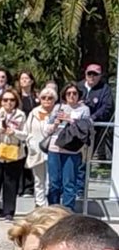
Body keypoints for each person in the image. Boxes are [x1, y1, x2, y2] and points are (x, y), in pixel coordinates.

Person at [45, 82, 92, 210]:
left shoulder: (84, 109)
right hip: (54, 148)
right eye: (68, 93)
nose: (71, 96)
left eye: (74, 93)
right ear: (64, 95)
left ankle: (68, 212)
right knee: (54, 183)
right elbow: (47, 130)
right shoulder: (57, 107)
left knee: (69, 183)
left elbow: (86, 127)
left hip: (72, 150)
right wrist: (55, 124)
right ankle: (53, 210)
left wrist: (69, 119)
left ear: (79, 95)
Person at [0, 87, 27, 221]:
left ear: (16, 101)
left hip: (14, 153)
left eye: (12, 100)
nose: (8, 103)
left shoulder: (21, 115)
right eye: (5, 100)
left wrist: (14, 132)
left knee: (11, 183)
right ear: (1, 101)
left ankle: (9, 211)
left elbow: (25, 135)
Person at [24, 86, 58, 208]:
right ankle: (39, 204)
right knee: (39, 180)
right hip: (36, 150)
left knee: (51, 181)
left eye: (50, 98)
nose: (47, 100)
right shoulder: (33, 113)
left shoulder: (58, 113)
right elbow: (26, 131)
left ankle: (50, 205)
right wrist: (30, 144)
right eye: (44, 97)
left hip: (54, 151)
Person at [79, 62, 114, 158]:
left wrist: (93, 117)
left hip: (94, 129)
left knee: (87, 157)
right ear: (85, 74)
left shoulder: (105, 89)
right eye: (89, 74)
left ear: (100, 76)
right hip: (76, 128)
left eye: (95, 74)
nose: (92, 76)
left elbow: (107, 107)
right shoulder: (77, 87)